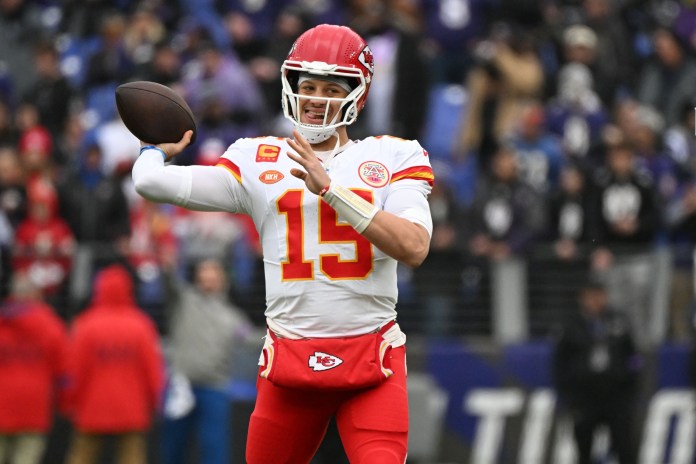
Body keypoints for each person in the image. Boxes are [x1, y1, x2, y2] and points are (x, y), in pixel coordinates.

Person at [132, 23, 433, 464]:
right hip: (290, 365)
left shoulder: (393, 156)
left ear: (358, 94)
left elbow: (415, 246)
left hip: (372, 360)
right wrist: (154, 147)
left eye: (329, 87)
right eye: (306, 85)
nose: (313, 98)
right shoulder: (258, 159)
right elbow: (150, 182)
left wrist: (331, 190)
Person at [160, 256, 257, 464]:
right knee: (173, 446)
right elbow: (169, 281)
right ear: (197, 277)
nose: (208, 276)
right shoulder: (184, 301)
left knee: (214, 447)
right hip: (181, 385)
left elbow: (251, 339)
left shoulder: (233, 317)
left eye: (213, 271)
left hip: (215, 388)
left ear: (223, 278)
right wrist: (166, 263)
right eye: (204, 271)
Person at [64, 264, 164, 464]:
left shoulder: (86, 325)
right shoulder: (141, 325)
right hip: (132, 407)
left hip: (92, 407)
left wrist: (70, 402)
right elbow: (153, 370)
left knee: (82, 457)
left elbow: (74, 370)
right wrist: (155, 401)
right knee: (132, 457)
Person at [552, 277, 642, 464]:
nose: (595, 301)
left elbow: (634, 357)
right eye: (590, 296)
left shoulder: (619, 321)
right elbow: (560, 363)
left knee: (626, 449)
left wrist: (631, 384)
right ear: (582, 298)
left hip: (616, 397)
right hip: (585, 398)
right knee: (584, 449)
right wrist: (569, 395)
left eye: (599, 296)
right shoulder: (571, 325)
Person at [0, 273, 69, 464]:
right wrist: (65, 404)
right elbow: (63, 371)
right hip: (33, 406)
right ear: (36, 295)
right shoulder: (50, 324)